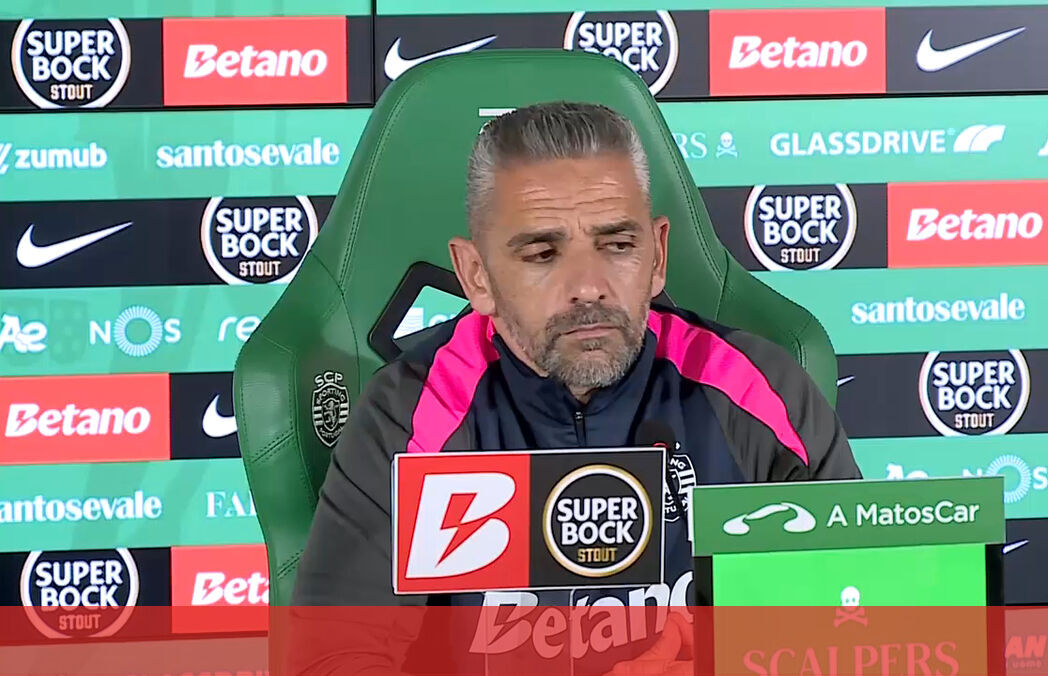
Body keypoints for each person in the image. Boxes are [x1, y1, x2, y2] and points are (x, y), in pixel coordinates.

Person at [289, 101, 861, 673]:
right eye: (543, 253)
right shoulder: (412, 414)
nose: (588, 286)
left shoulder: (757, 392)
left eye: (618, 245)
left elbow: (848, 631)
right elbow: (332, 659)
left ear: (657, 256)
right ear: (477, 276)